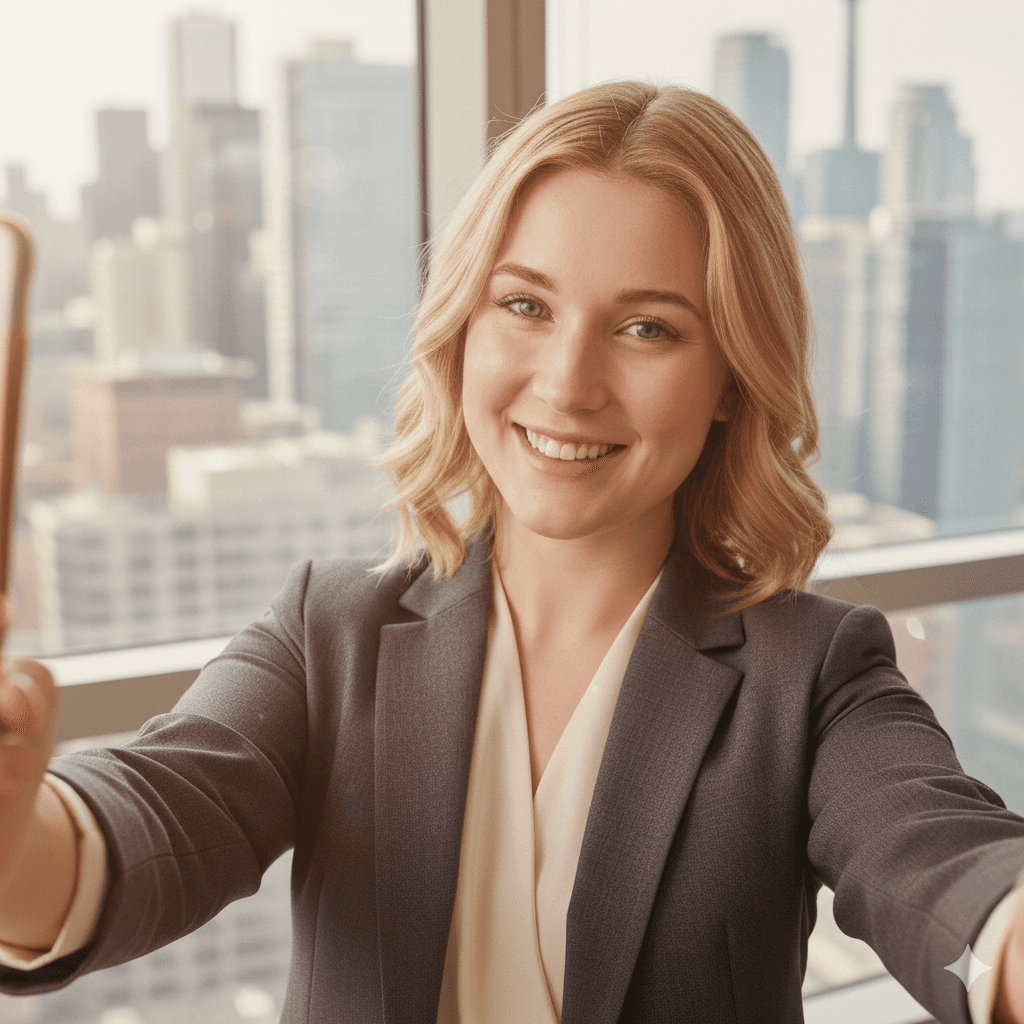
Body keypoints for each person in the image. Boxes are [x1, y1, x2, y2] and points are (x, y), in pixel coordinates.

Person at [1, 80, 1024, 1024]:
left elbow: (941, 864)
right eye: (524, 305)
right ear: (460, 327)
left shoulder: (813, 676)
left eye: (646, 329)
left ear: (730, 380)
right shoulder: (329, 631)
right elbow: (153, 818)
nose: (567, 383)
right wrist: (17, 832)